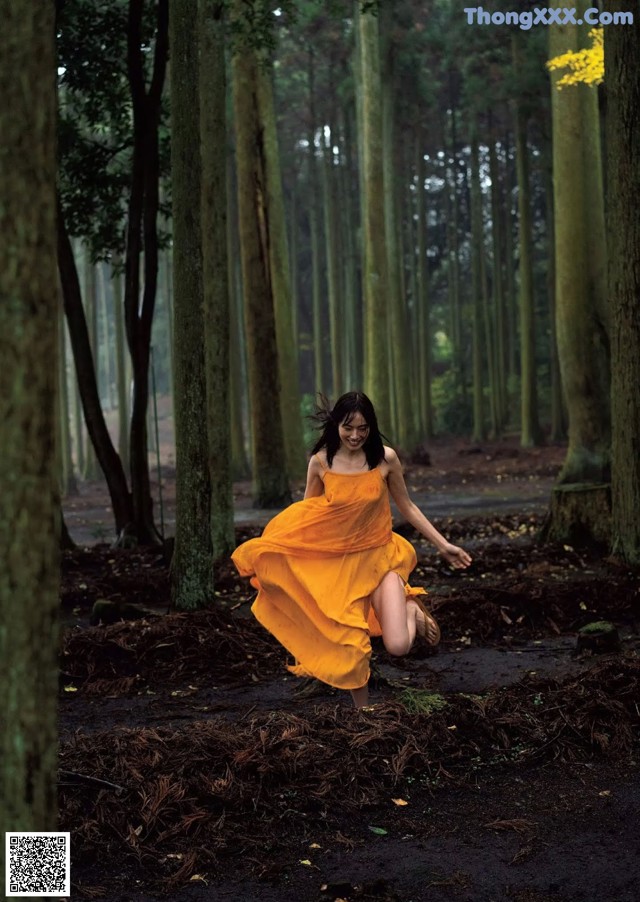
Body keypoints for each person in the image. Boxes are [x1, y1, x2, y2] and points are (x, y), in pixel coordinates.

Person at [231, 392, 472, 709]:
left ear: (371, 426)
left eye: (363, 428)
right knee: (351, 646)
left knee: (398, 646)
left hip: (380, 562)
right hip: (341, 569)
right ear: (336, 425)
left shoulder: (385, 459)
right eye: (349, 428)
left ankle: (411, 608)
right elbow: (308, 515)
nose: (356, 435)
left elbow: (408, 507)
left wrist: (444, 545)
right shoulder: (320, 463)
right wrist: (284, 556)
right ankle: (365, 715)